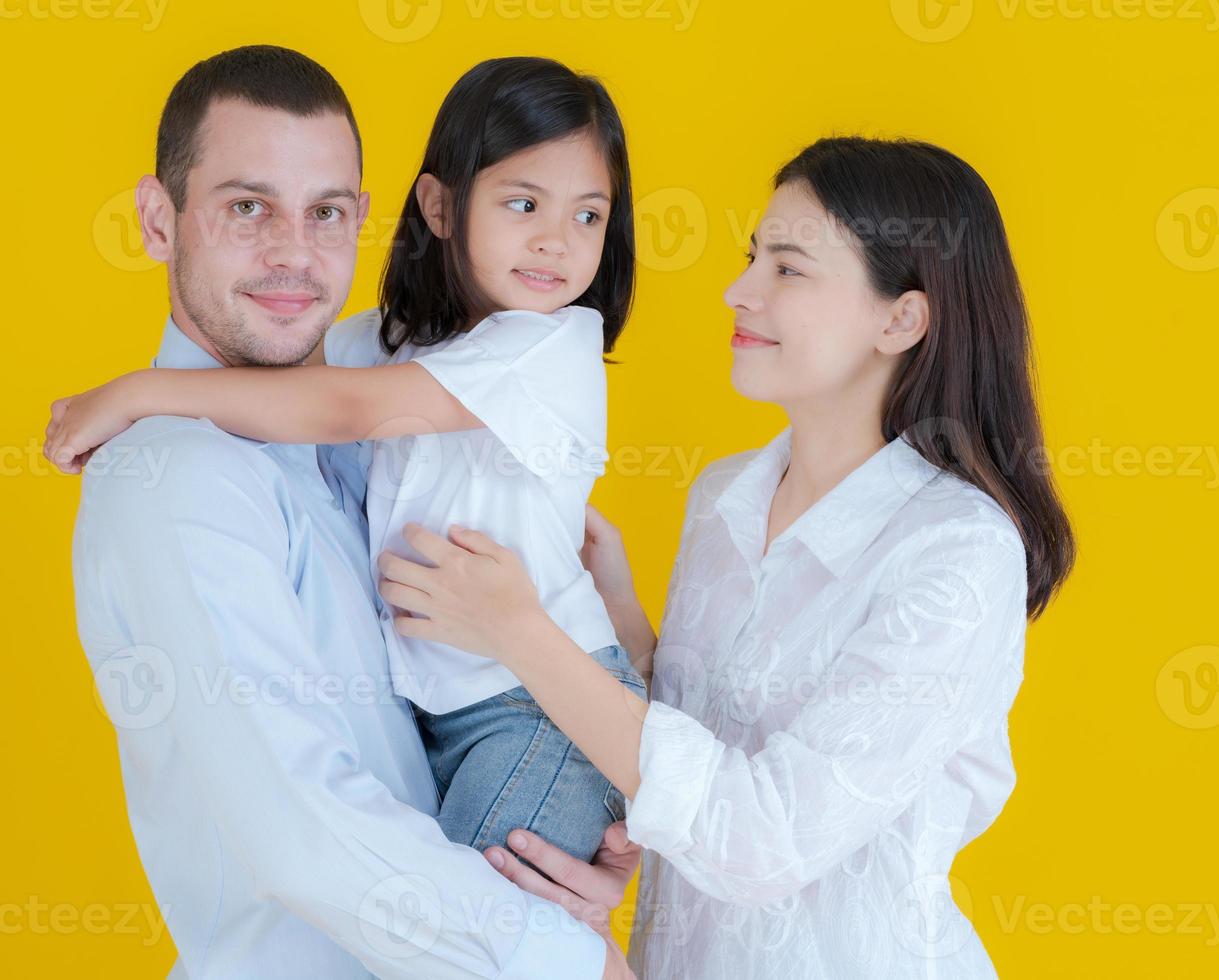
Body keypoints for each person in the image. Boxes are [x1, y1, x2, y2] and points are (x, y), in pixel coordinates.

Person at [371, 136, 1077, 978]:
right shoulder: (725, 496)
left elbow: (764, 837)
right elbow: (699, 753)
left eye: (788, 268)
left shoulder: (957, 554)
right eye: (752, 258)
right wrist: (627, 638)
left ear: (902, 318)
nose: (738, 291)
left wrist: (523, 633)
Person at [55, 45, 633, 979]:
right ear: (159, 222)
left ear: (364, 220)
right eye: (247, 208)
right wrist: (569, 957)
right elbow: (299, 828)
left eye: (324, 213)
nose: (292, 252)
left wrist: (555, 861)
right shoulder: (179, 474)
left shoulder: (362, 424)